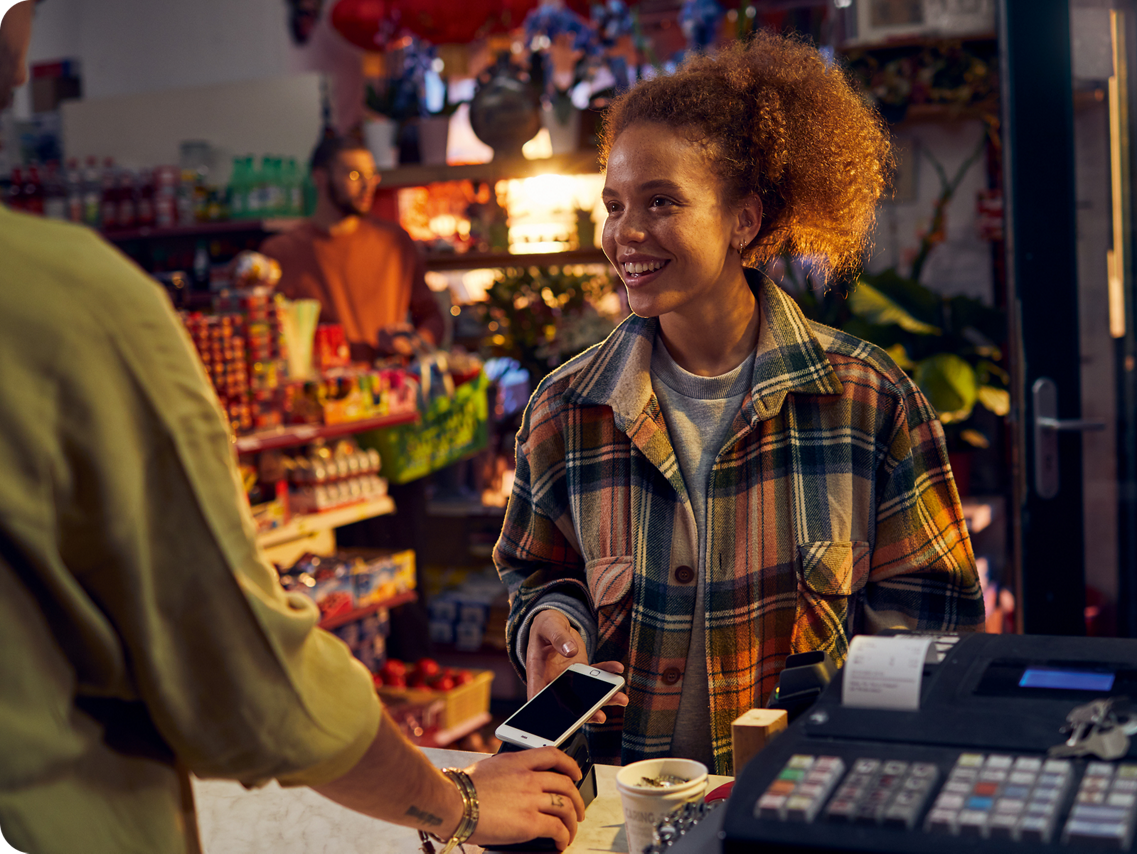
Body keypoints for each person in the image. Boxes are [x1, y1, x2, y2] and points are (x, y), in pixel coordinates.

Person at [0, 3, 583, 852]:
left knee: (407, 562)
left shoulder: (391, 243)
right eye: (17, 22)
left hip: (399, 427)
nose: (22, 61)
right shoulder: (77, 304)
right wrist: (455, 800)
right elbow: (250, 679)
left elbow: (427, 324)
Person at [495, 31, 987, 777]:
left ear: (744, 220)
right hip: (619, 811)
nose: (626, 233)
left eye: (662, 201)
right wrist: (551, 619)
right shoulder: (568, 409)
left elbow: (934, 632)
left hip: (801, 811)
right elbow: (537, 572)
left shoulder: (867, 400)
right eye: (615, 203)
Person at [259, 135, 446, 362]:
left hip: (388, 385)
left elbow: (431, 317)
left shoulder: (395, 242)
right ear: (320, 178)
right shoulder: (280, 253)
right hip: (320, 390)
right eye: (354, 175)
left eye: (371, 175)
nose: (368, 185)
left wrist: (411, 343)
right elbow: (265, 336)